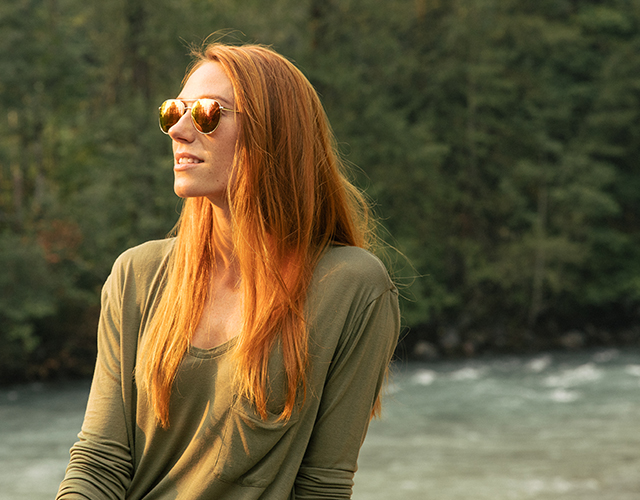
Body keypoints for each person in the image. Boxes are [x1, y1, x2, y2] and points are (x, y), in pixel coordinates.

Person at [57, 42, 400, 500]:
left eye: (206, 113)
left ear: (272, 134)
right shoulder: (136, 274)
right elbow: (100, 461)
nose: (178, 130)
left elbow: (322, 486)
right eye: (172, 111)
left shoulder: (352, 286)